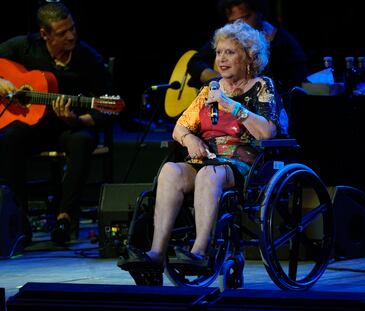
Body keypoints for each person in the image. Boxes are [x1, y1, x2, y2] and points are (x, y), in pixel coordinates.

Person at [118, 19, 288, 276]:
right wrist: (190, 139)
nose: (221, 59)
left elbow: (267, 131)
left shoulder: (262, 87)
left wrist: (230, 105)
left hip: (243, 165)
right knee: (170, 172)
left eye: (230, 52)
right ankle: (156, 253)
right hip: (206, 159)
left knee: (210, 174)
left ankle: (200, 251)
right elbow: (179, 127)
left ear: (249, 57)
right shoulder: (210, 89)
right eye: (219, 52)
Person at [0, 2, 112, 245]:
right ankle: (18, 220)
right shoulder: (25, 46)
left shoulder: (87, 58)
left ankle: (65, 218)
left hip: (70, 126)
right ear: (44, 34)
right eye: (62, 33)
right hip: (34, 125)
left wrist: (78, 119)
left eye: (72, 28)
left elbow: (108, 108)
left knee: (82, 141)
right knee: (8, 138)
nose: (71, 36)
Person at [187, 0, 309, 95]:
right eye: (233, 21)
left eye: (245, 18)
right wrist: (219, 79)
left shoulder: (284, 43)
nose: (239, 25)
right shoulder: (229, 38)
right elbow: (195, 62)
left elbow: (298, 87)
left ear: (260, 13)